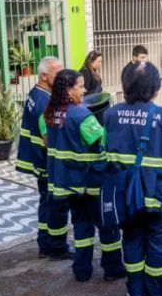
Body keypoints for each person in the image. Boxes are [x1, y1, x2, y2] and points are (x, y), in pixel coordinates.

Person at [103, 61, 162, 296]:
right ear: (155, 89)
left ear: (125, 86)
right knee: (158, 241)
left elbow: (104, 147)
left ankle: (134, 290)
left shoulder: (110, 115)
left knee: (131, 238)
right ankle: (155, 290)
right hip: (158, 195)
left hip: (125, 195)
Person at [43, 69, 125, 282]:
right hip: (91, 183)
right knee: (107, 227)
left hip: (67, 185)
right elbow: (101, 143)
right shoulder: (81, 116)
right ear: (69, 90)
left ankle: (82, 270)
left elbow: (48, 142)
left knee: (81, 227)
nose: (85, 89)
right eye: (80, 86)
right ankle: (113, 268)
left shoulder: (50, 113)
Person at [15, 56, 68, 259]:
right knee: (54, 205)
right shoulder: (45, 103)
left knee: (45, 203)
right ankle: (55, 247)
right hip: (47, 163)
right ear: (44, 76)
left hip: (38, 161)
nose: (63, 77)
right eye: (58, 73)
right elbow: (48, 139)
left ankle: (45, 244)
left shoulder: (36, 94)